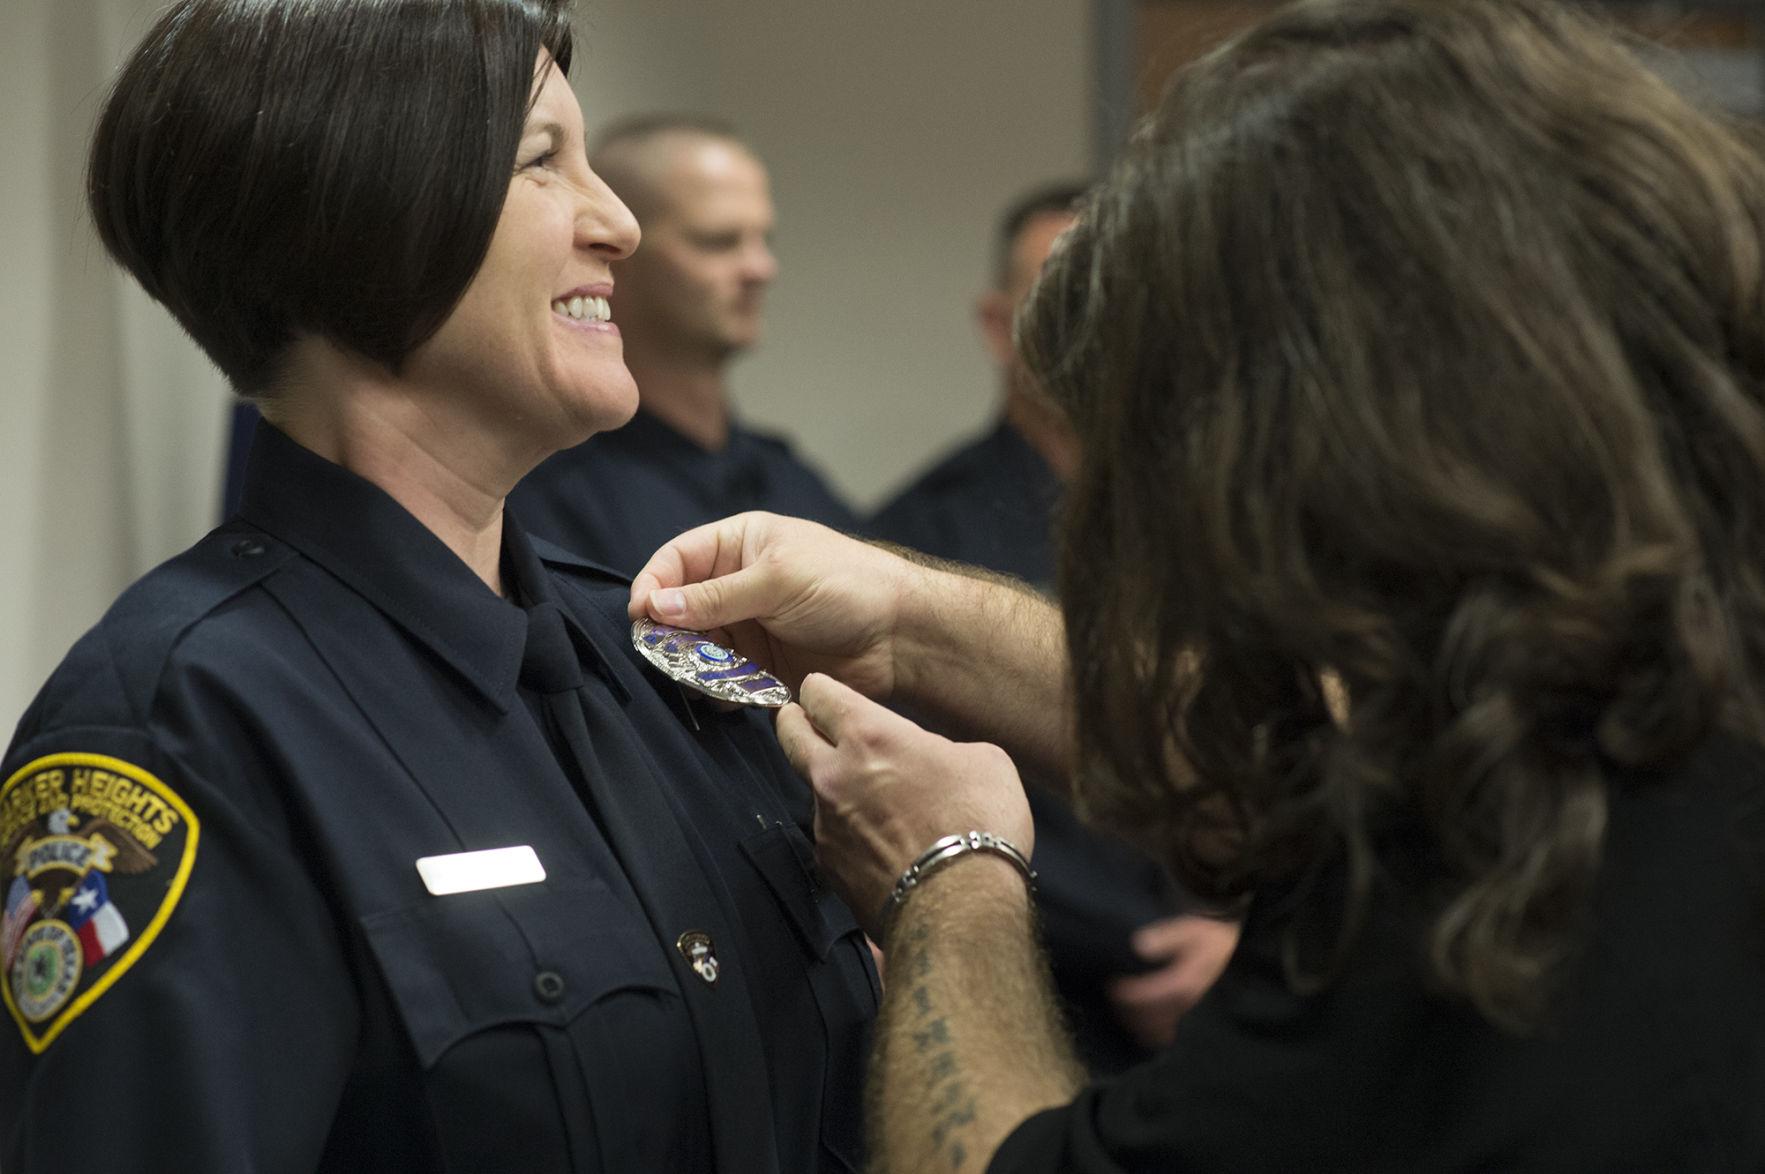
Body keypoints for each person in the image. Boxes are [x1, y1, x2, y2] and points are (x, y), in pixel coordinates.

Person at [628, 0, 1765, 1169]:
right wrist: (916, 624)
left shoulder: (1469, 897)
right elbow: (1294, 758)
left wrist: (946, 879)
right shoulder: (1649, 651)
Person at [1, 2, 876, 1170]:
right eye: (541, 162)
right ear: (357, 221)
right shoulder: (184, 728)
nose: (614, 221)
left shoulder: (649, 652)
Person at [871, 182, 1236, 1070]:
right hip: (1053, 1002)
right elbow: (937, 785)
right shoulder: (916, 545)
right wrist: (1146, 948)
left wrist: (1236, 936)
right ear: (999, 325)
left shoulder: (1226, 519)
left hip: (1247, 985)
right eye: (1061, 290)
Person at [509, 115, 857, 575]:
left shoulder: (794, 484)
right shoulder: (548, 501)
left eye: (763, 240)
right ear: (617, 253)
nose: (760, 268)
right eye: (718, 242)